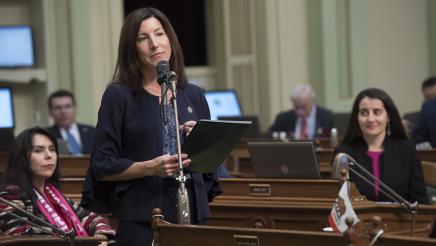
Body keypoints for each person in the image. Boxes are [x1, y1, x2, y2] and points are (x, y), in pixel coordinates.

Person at [80, 8, 222, 246]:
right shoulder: (119, 95)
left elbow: (209, 167)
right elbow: (102, 164)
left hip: (192, 212)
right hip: (142, 216)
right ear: (131, 48)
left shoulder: (193, 94)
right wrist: (149, 167)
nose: (154, 44)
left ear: (170, 38)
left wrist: (202, 140)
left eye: (159, 34)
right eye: (142, 38)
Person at [0, 127, 115, 244]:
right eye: (39, 150)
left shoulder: (53, 193)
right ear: (21, 158)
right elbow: (21, 235)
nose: (49, 155)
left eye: (52, 149)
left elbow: (92, 218)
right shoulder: (9, 195)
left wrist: (100, 237)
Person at [333, 88, 428, 204]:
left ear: (388, 117)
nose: (371, 119)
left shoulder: (406, 149)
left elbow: (421, 201)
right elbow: (338, 202)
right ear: (356, 118)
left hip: (400, 220)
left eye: (377, 112)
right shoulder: (343, 153)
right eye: (364, 113)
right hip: (356, 221)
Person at [268, 84, 333, 139]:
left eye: (303, 107)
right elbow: (270, 135)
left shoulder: (327, 117)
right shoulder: (283, 118)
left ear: (313, 101)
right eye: (296, 107)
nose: (300, 112)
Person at [47, 89, 96, 155]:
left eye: (67, 106)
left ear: (75, 109)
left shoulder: (92, 132)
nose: (63, 111)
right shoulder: (46, 135)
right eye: (58, 108)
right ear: (50, 112)